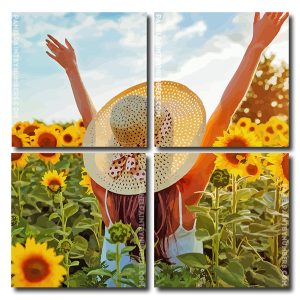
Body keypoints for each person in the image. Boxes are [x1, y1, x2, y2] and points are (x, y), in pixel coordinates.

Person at [45, 12, 288, 264]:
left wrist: (72, 70)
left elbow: (91, 124)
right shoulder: (187, 191)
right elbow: (222, 115)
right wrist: (256, 47)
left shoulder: (104, 191)